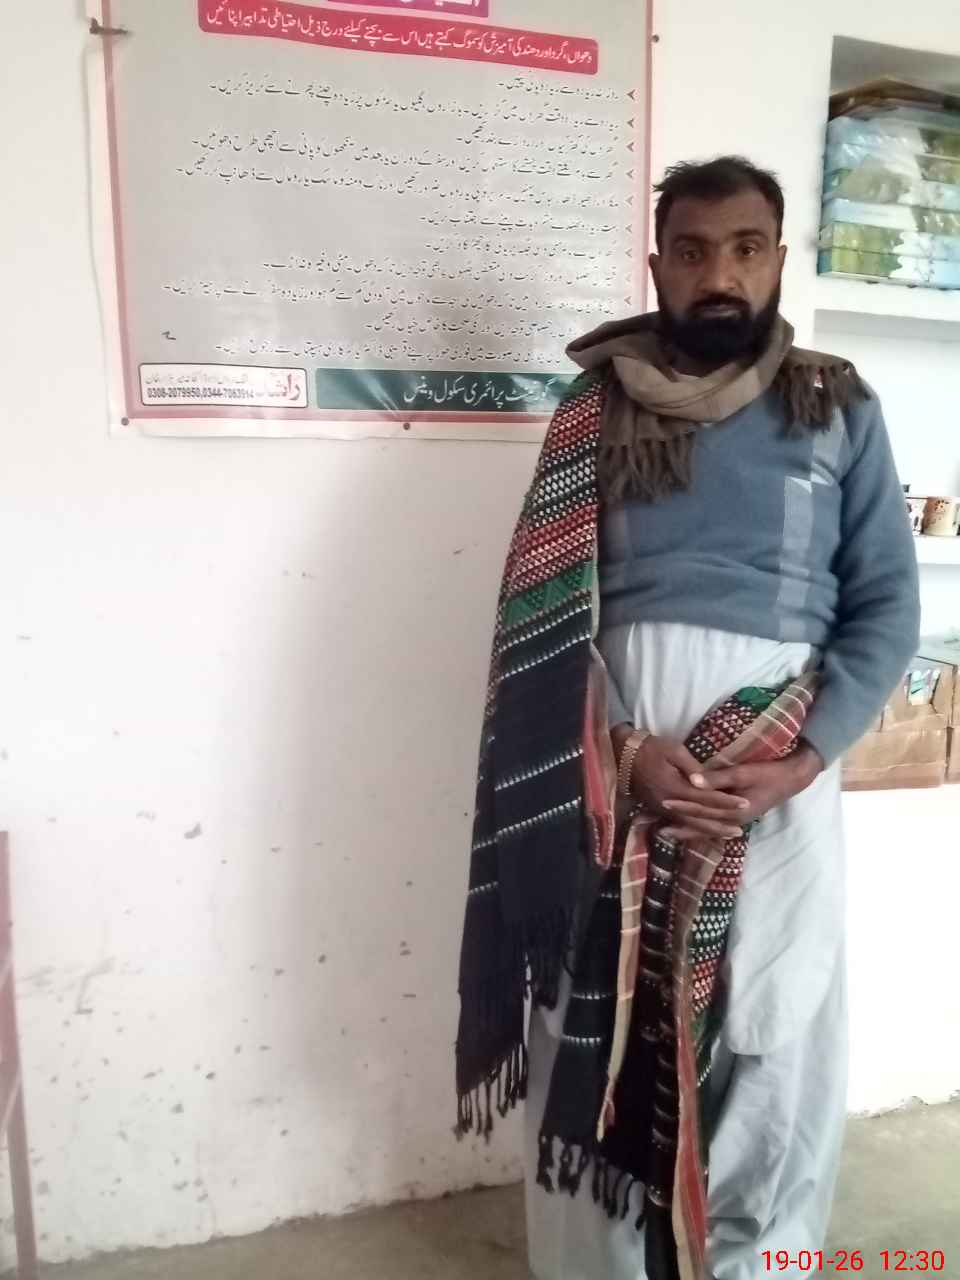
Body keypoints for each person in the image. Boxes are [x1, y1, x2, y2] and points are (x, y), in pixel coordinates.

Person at [455, 157, 920, 1280]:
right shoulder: (593, 410)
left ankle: (760, 1262)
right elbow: (543, 618)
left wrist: (801, 760)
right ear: (658, 263)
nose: (722, 275)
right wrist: (621, 750)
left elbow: (887, 604)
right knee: (599, 1023)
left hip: (780, 774)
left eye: (746, 248)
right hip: (614, 767)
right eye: (696, 250)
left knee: (773, 1024)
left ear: (778, 259)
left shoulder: (837, 405)